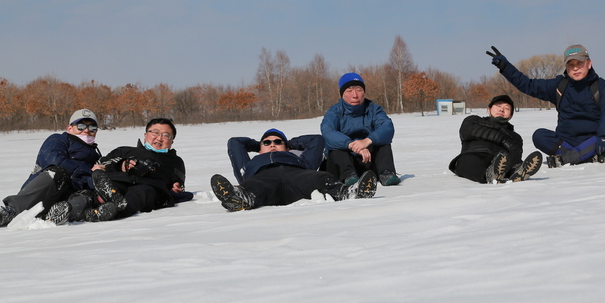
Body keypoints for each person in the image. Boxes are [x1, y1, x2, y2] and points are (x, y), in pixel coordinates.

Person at [487, 44, 605, 167]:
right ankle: (586, 156)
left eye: (579, 63)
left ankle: (567, 158)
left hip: (593, 140)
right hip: (566, 142)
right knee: (539, 136)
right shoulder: (559, 86)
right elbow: (529, 85)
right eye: (571, 64)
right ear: (566, 67)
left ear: (589, 63)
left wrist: (604, 136)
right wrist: (506, 68)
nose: (575, 68)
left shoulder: (600, 86)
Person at [0, 108, 116, 228]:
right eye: (81, 126)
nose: (86, 130)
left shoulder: (96, 157)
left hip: (66, 199)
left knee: (87, 193)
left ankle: (60, 215)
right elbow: (54, 160)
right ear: (69, 128)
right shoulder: (58, 140)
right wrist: (90, 171)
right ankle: (10, 211)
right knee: (57, 172)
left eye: (92, 128)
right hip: (42, 193)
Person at [211, 128, 377, 212]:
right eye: (267, 143)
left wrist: (290, 144)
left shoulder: (301, 161)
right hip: (263, 178)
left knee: (322, 177)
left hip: (297, 175)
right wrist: (257, 145)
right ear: (259, 148)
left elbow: (317, 140)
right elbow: (235, 142)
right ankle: (239, 198)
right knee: (251, 186)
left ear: (287, 147)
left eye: (278, 142)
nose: (273, 145)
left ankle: (350, 193)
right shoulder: (248, 166)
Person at [90, 118, 190, 219]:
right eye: (155, 133)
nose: (159, 138)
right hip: (119, 180)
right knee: (110, 184)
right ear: (145, 135)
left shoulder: (175, 161)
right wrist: (121, 165)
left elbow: (179, 185)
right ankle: (95, 206)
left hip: (150, 187)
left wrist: (176, 187)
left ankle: (111, 212)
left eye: (166, 135)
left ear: (172, 141)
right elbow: (99, 165)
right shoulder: (124, 151)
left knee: (142, 192)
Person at [321, 72, 400, 186]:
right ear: (342, 94)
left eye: (359, 90)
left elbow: (387, 127)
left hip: (368, 159)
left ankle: (386, 173)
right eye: (349, 91)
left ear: (364, 92)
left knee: (382, 140)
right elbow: (328, 132)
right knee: (335, 147)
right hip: (343, 162)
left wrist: (366, 141)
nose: (355, 95)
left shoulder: (374, 109)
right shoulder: (334, 112)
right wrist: (351, 145)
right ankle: (348, 176)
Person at [449, 94, 543, 184]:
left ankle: (518, 171)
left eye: (507, 108)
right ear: (488, 109)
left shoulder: (515, 137)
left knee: (512, 162)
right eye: (498, 106)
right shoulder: (474, 120)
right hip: (476, 154)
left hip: (501, 161)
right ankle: (489, 175)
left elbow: (515, 154)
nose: (502, 109)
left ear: (511, 116)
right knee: (468, 161)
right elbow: (467, 131)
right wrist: (502, 139)